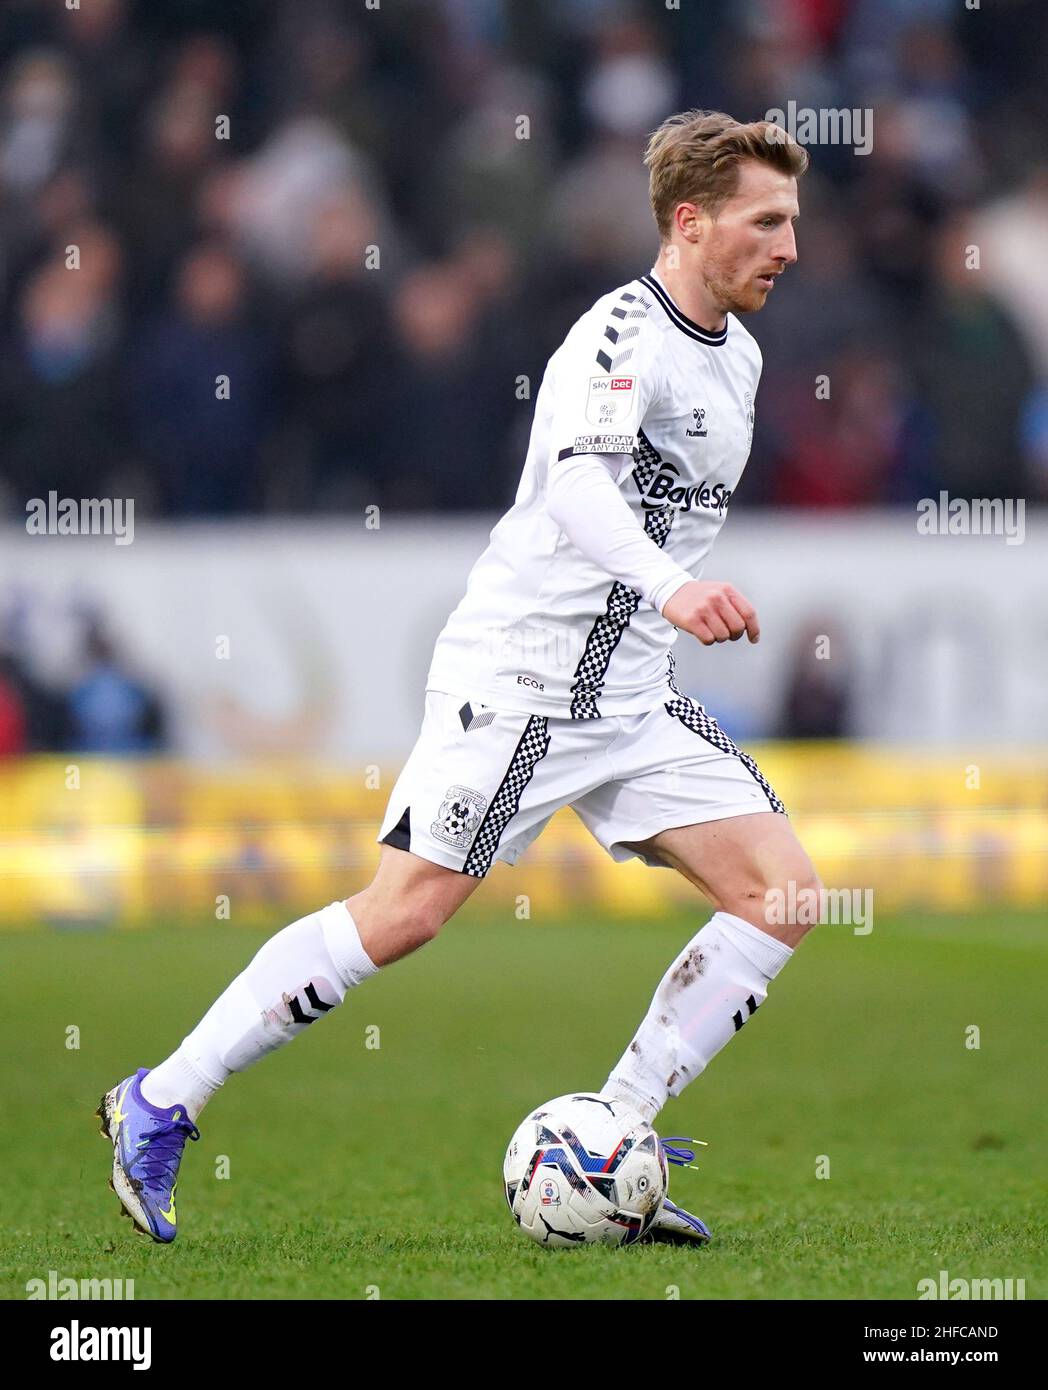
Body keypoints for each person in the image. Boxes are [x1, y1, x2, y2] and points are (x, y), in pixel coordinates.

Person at [98, 110, 821, 1246]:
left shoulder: (740, 349)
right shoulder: (618, 336)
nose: (789, 245)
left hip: (627, 692)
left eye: (793, 221)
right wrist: (675, 590)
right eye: (766, 221)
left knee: (779, 891)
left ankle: (609, 1137)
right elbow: (580, 490)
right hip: (526, 679)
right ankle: (161, 1098)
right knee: (405, 914)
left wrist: (661, 610)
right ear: (689, 220)